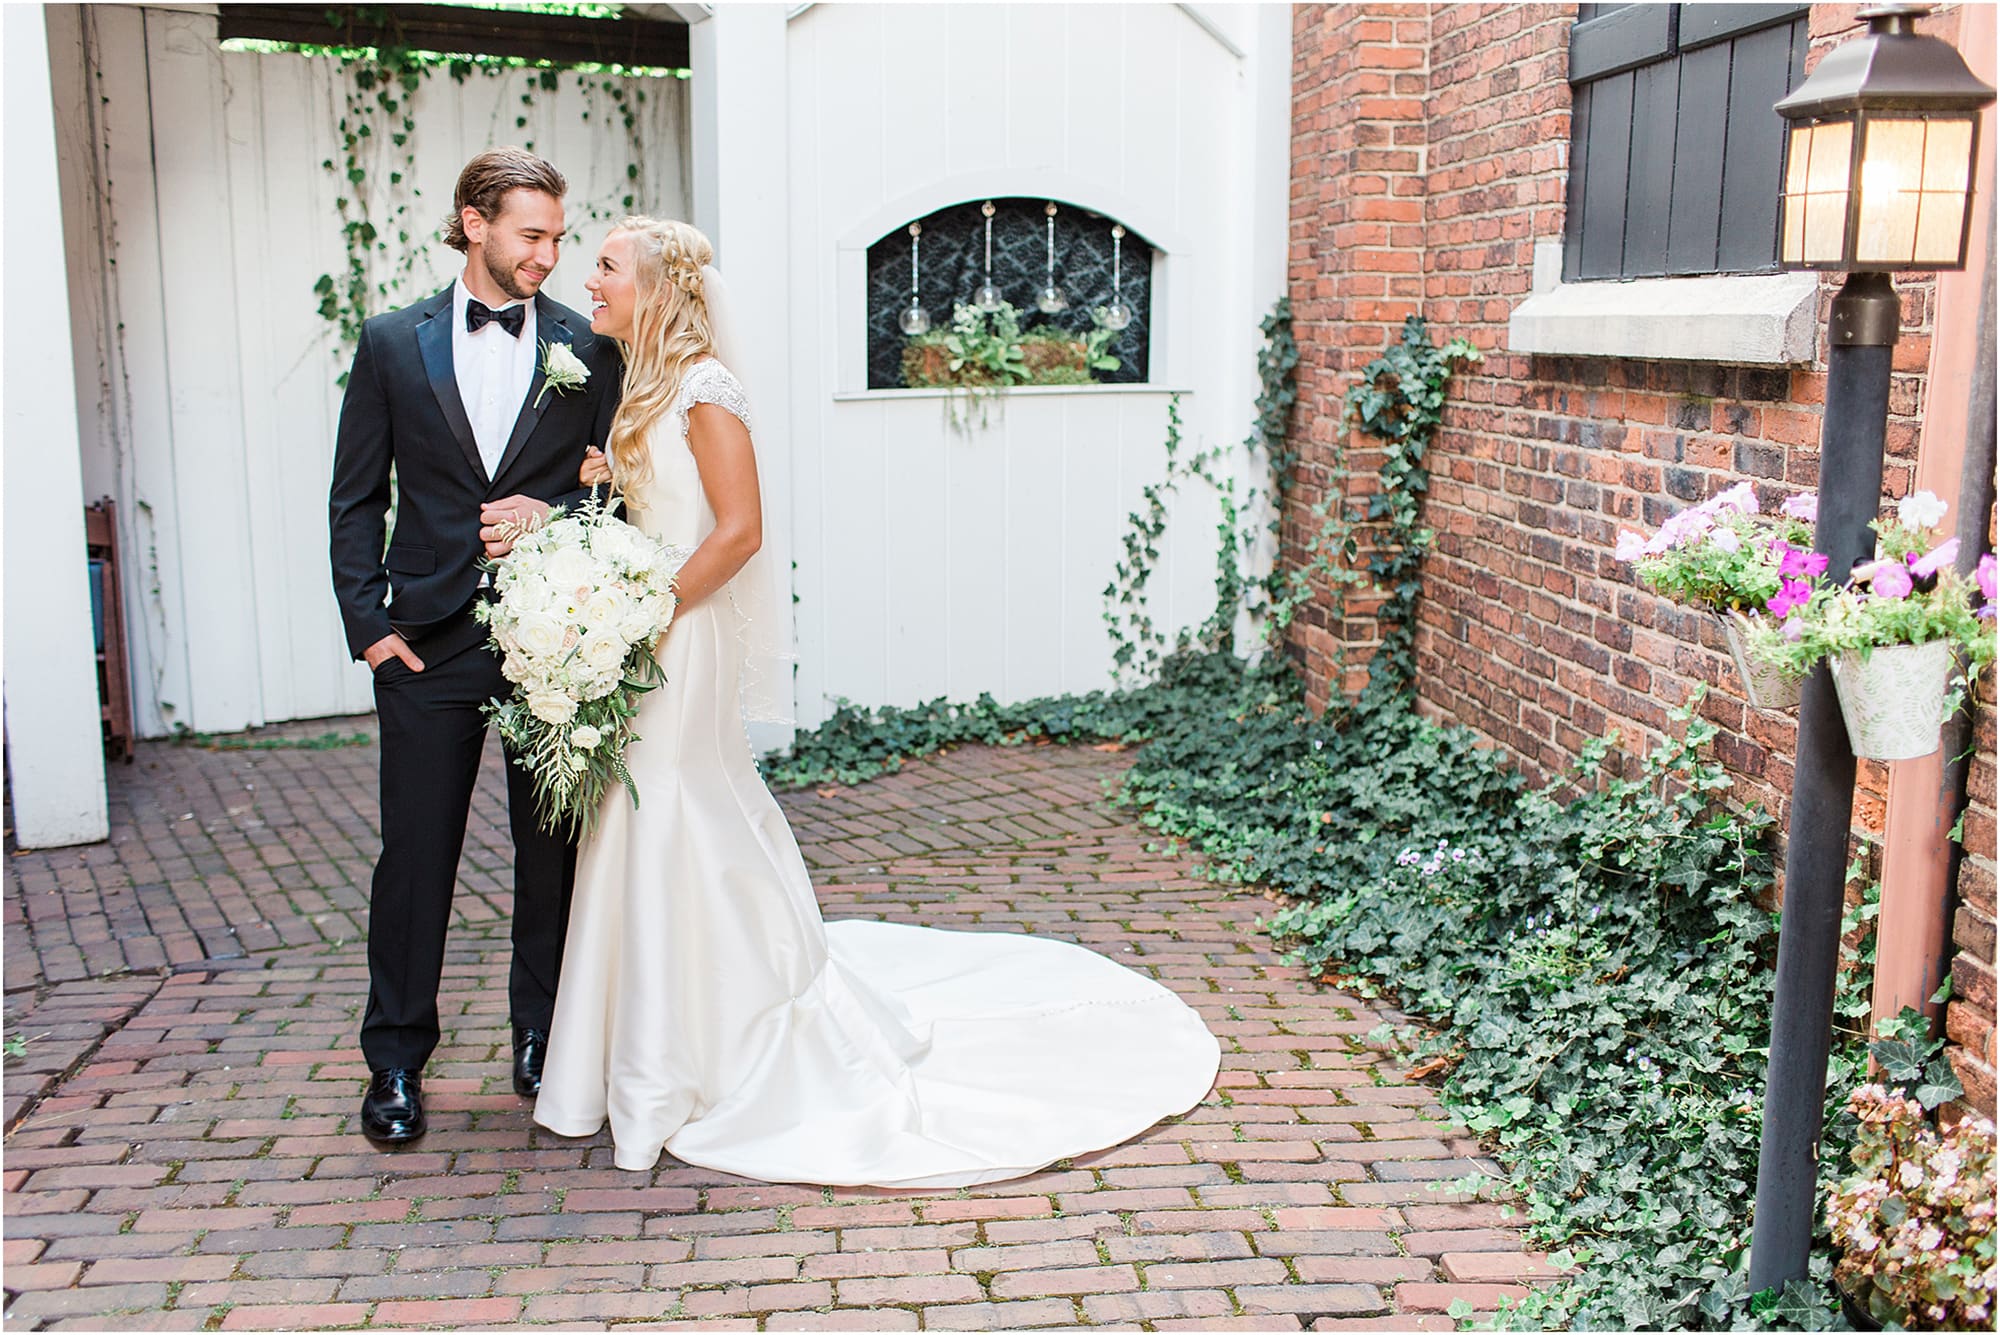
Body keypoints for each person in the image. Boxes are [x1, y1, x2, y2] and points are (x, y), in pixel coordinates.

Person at [531, 217, 1220, 1186]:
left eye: (604, 265)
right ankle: (657, 1037)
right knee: (643, 815)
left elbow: (739, 534)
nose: (587, 279)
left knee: (675, 805)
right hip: (645, 632)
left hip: (680, 641)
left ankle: (710, 1039)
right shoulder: (641, 387)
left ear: (655, 285)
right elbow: (668, 512)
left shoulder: (704, 389)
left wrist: (646, 609)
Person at [328, 148, 621, 1145]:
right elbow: (355, 495)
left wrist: (554, 512)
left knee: (552, 857)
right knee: (416, 858)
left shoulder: (589, 346)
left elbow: (617, 489)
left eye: (555, 236)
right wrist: (370, 627)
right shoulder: (390, 343)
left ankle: (542, 1037)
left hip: (551, 643)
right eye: (530, 234)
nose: (547, 255)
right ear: (473, 223)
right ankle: (396, 1065)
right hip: (428, 646)